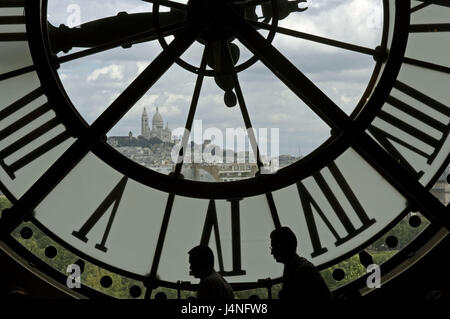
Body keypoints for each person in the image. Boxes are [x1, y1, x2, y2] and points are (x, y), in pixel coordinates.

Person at [270, 227, 333, 300]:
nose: (272, 252)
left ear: (283, 247)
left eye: (274, 247)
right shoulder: (301, 268)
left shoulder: (298, 271)